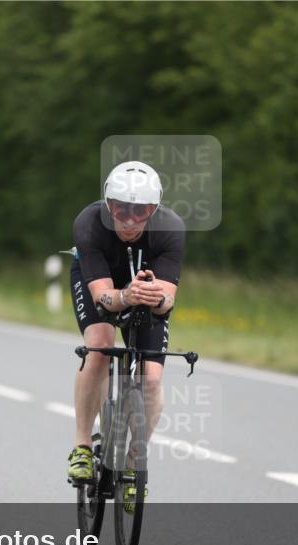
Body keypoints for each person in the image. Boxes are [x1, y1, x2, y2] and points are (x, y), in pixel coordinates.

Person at [66, 161, 185, 492]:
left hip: (144, 291)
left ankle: (134, 463)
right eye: (121, 209)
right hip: (99, 284)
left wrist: (154, 298)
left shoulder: (170, 228)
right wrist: (126, 295)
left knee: (150, 378)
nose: (130, 220)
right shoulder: (89, 223)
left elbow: (167, 301)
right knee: (100, 347)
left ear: (155, 208)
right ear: (108, 204)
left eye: (141, 210)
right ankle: (82, 447)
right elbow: (103, 298)